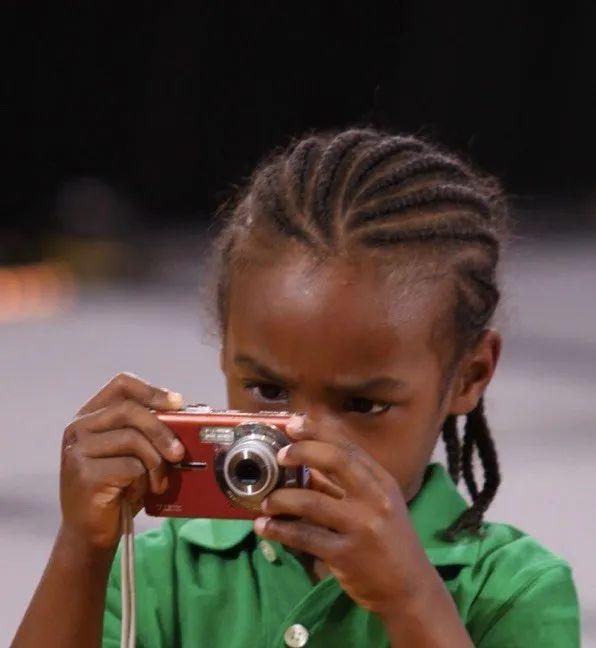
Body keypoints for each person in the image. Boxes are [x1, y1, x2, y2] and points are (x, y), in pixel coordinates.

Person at [12, 128, 580, 647]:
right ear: (226, 349)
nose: (302, 441)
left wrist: (409, 600)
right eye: (267, 389)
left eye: (363, 404)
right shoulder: (160, 570)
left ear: (469, 376)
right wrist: (81, 550)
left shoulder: (514, 589)